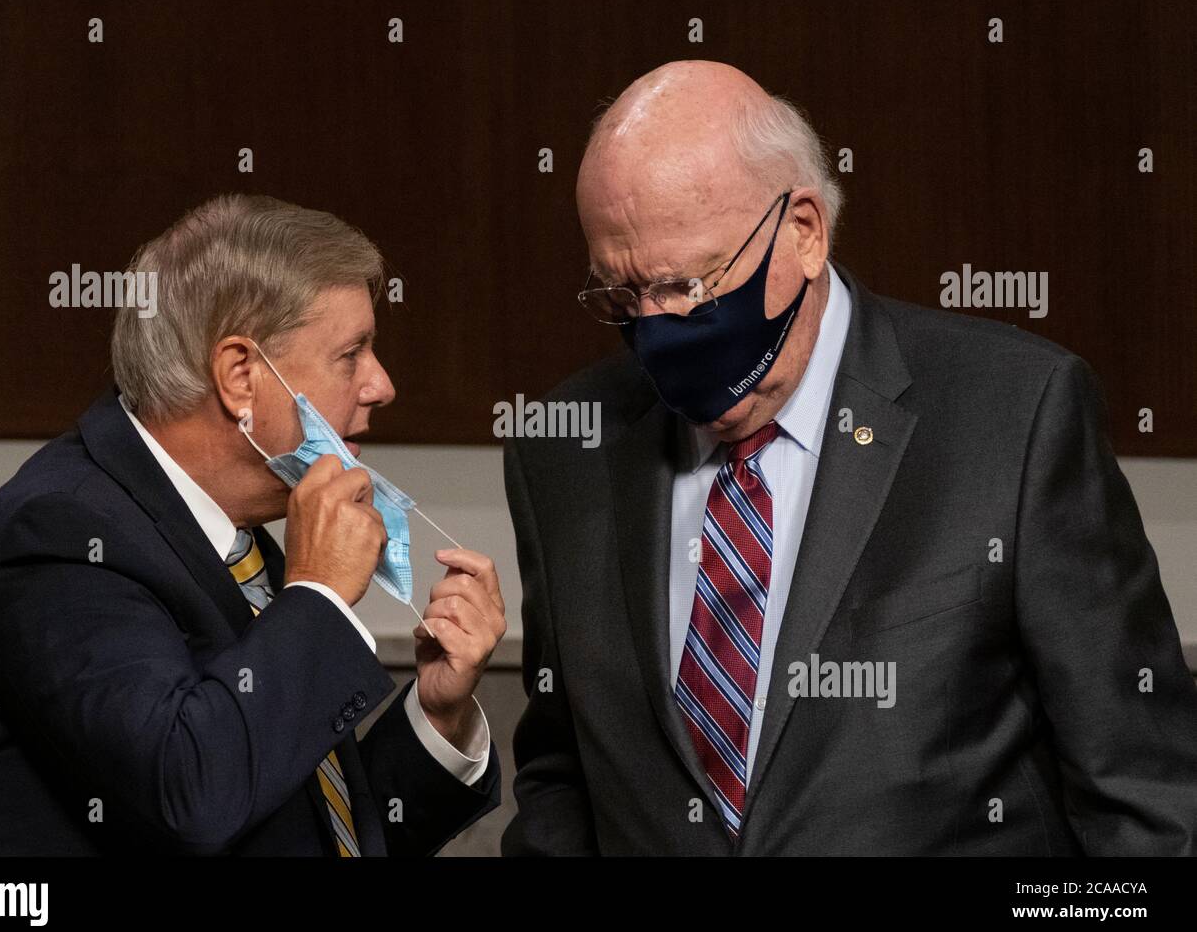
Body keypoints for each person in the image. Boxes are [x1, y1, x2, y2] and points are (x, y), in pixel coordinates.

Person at [501, 60, 1197, 855]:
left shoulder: (1014, 417)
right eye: (623, 298)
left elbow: (1147, 798)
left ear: (803, 230)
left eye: (687, 286)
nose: (656, 328)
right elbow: (563, 777)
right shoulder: (563, 450)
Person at [0, 194, 505, 855]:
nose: (381, 384)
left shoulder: (238, 541)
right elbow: (190, 794)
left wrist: (437, 712)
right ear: (240, 376)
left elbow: (289, 826)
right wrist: (316, 598)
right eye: (352, 353)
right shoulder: (62, 535)